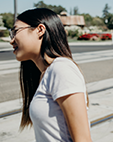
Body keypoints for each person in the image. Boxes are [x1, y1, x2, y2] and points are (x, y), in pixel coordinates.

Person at [9, 8, 92, 142]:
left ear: (40, 30)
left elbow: (83, 139)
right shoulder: (45, 74)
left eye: (15, 31)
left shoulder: (61, 68)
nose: (11, 40)